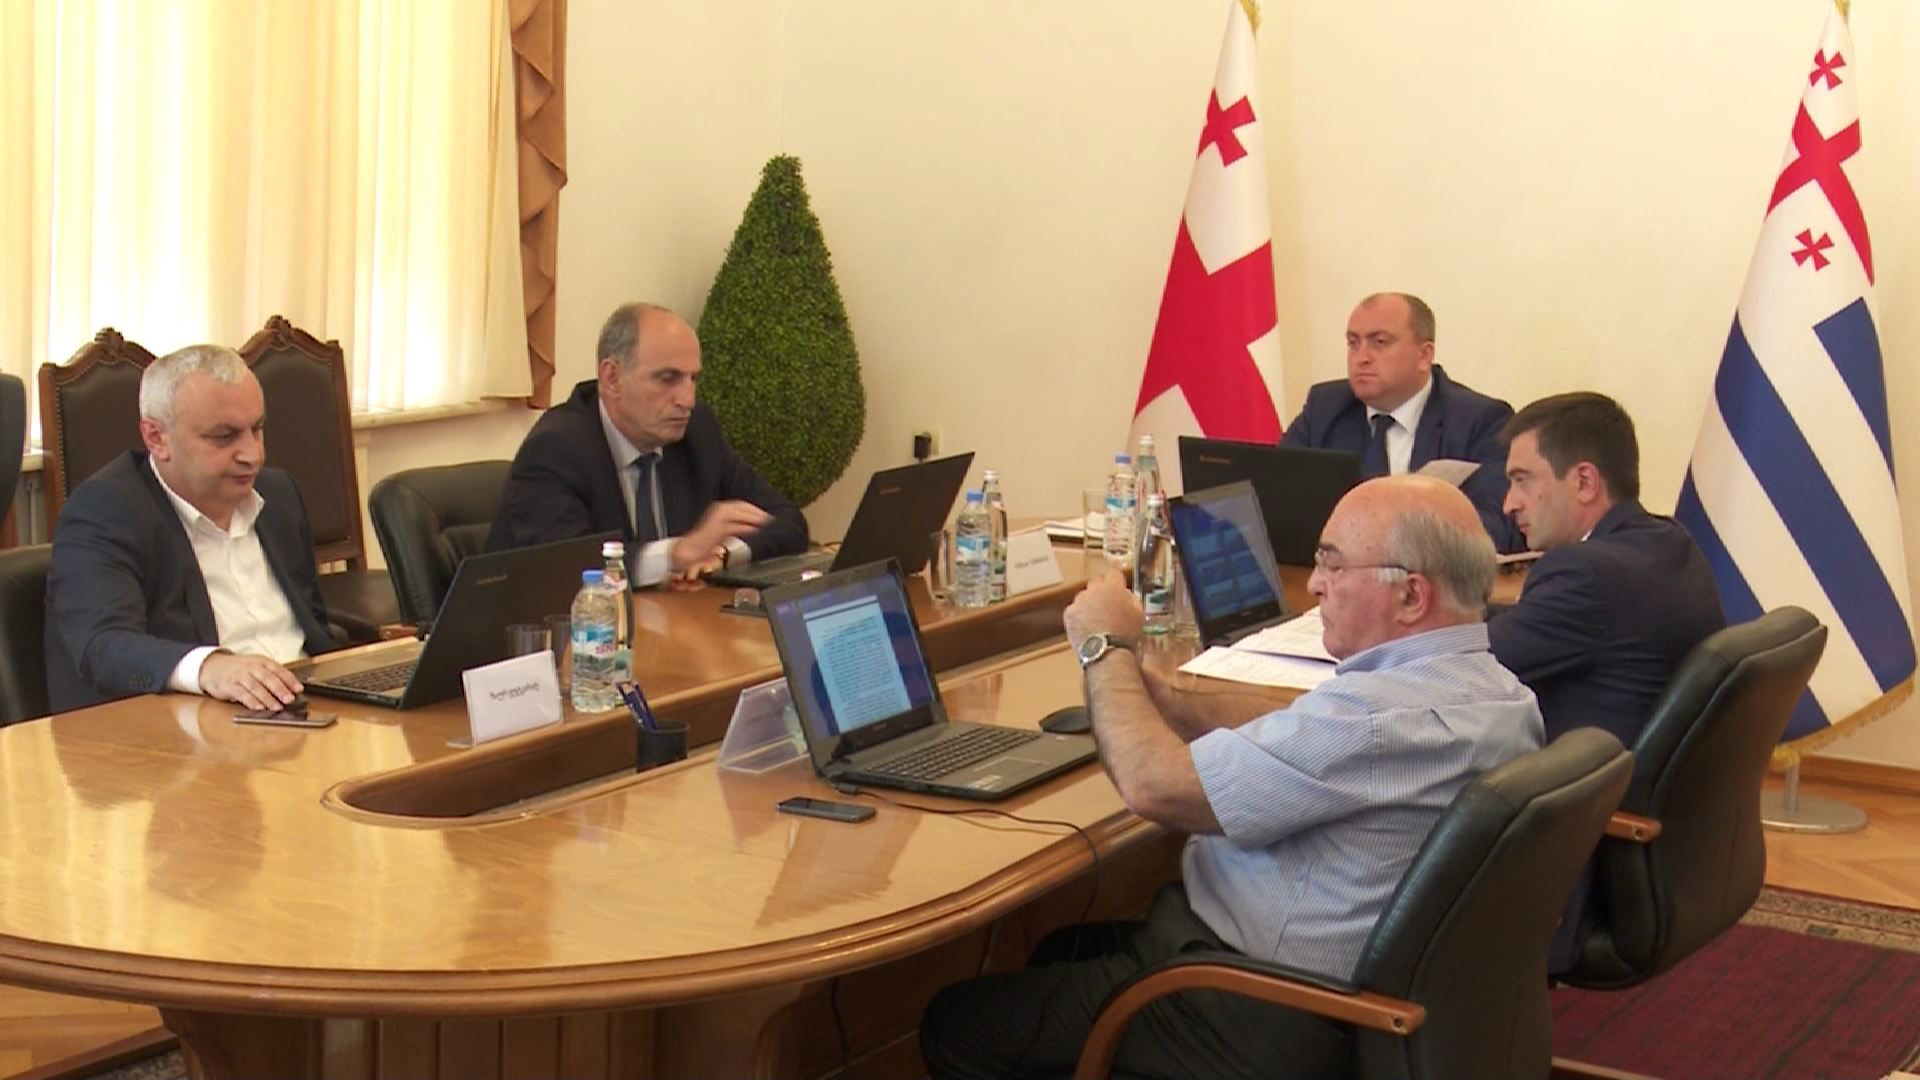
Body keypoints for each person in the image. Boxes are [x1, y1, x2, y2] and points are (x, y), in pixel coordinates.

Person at [919, 476, 1543, 1080]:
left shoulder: (1375, 723)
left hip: (1259, 1007)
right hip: (1368, 998)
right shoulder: (1502, 696)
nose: (1316, 584)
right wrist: (1160, 698)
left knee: (955, 1024)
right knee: (1057, 951)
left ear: (1411, 596)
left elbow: (1151, 785)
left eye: (1333, 565)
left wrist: (1104, 649)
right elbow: (1299, 727)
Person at [46, 345, 335, 714]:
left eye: (257, 429)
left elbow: (313, 625)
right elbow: (102, 645)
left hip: (308, 705)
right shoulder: (105, 510)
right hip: (192, 722)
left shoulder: (279, 495)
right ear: (156, 438)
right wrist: (210, 667)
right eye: (224, 436)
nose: (253, 455)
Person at [487, 302, 808, 585]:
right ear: (612, 378)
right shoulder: (556, 449)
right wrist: (676, 553)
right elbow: (567, 570)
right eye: (668, 379)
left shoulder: (697, 433)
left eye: (693, 379)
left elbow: (788, 521)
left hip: (669, 622)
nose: (687, 400)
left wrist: (722, 553)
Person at [1490, 392, 1725, 746]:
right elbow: (1532, 621)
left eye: (1522, 480)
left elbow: (1463, 667)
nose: (1509, 504)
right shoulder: (1667, 538)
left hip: (1584, 776)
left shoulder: (1582, 574)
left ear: (1585, 482)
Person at [1282, 292, 1523, 551]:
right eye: (1353, 343)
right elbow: (1278, 501)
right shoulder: (1324, 409)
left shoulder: (1479, 420)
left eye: (1379, 342)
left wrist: (1397, 534)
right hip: (1337, 570)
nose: (1362, 357)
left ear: (1424, 355)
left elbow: (1500, 527)